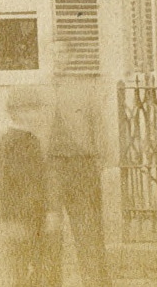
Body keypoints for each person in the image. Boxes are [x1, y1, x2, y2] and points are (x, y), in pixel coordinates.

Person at [44, 39, 112, 287]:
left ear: (70, 57)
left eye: (62, 53)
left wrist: (100, 159)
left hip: (81, 167)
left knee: (89, 231)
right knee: (49, 232)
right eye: (53, 54)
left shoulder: (84, 88)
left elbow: (99, 125)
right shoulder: (39, 90)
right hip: (50, 168)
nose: (58, 58)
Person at [0, 87, 59, 287]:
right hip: (24, 215)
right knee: (26, 269)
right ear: (15, 112)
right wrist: (15, 218)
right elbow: (12, 183)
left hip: (31, 214)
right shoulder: (15, 142)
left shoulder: (30, 140)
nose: (35, 115)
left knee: (34, 267)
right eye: (29, 110)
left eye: (36, 109)